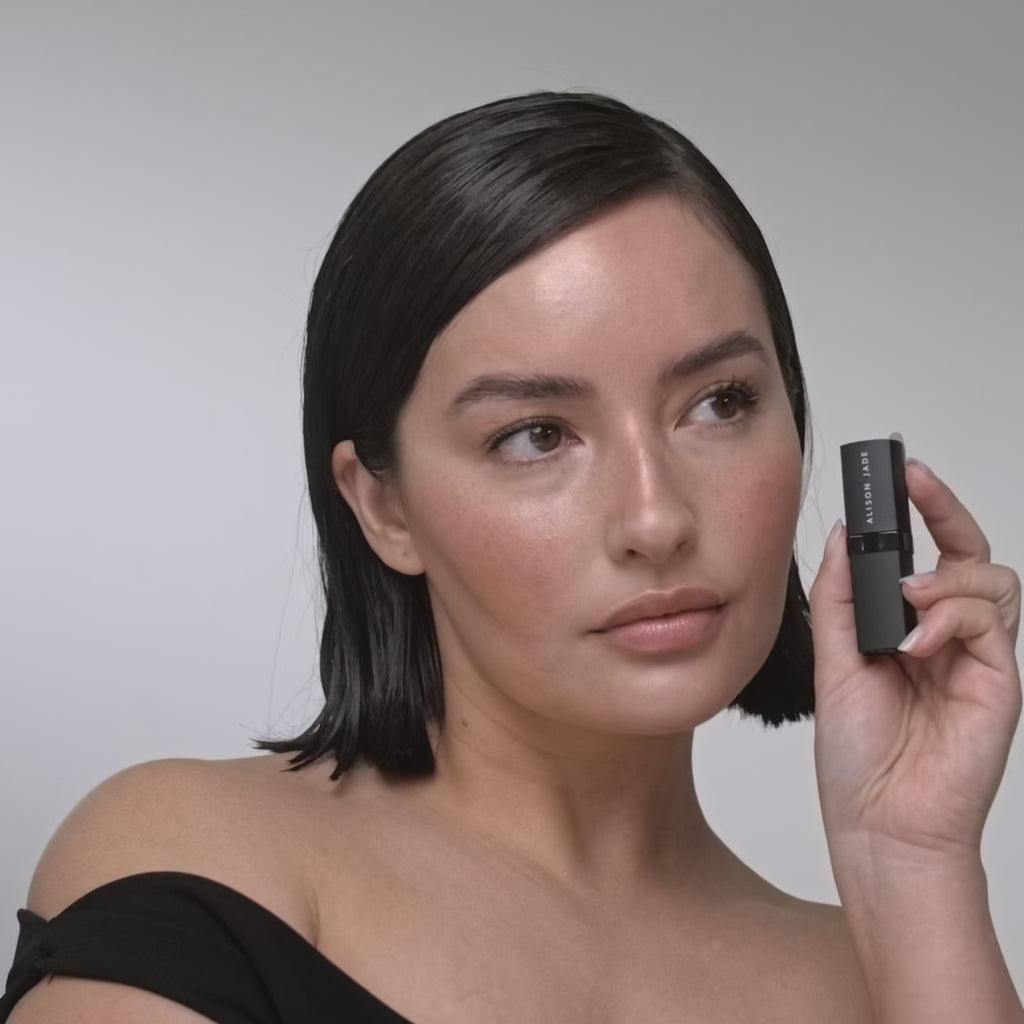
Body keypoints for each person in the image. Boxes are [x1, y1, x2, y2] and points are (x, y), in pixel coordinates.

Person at [2, 89, 1021, 1024]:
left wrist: (910, 864)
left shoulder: (883, 979)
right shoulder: (203, 865)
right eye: (536, 435)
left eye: (719, 404)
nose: (656, 518)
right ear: (384, 506)